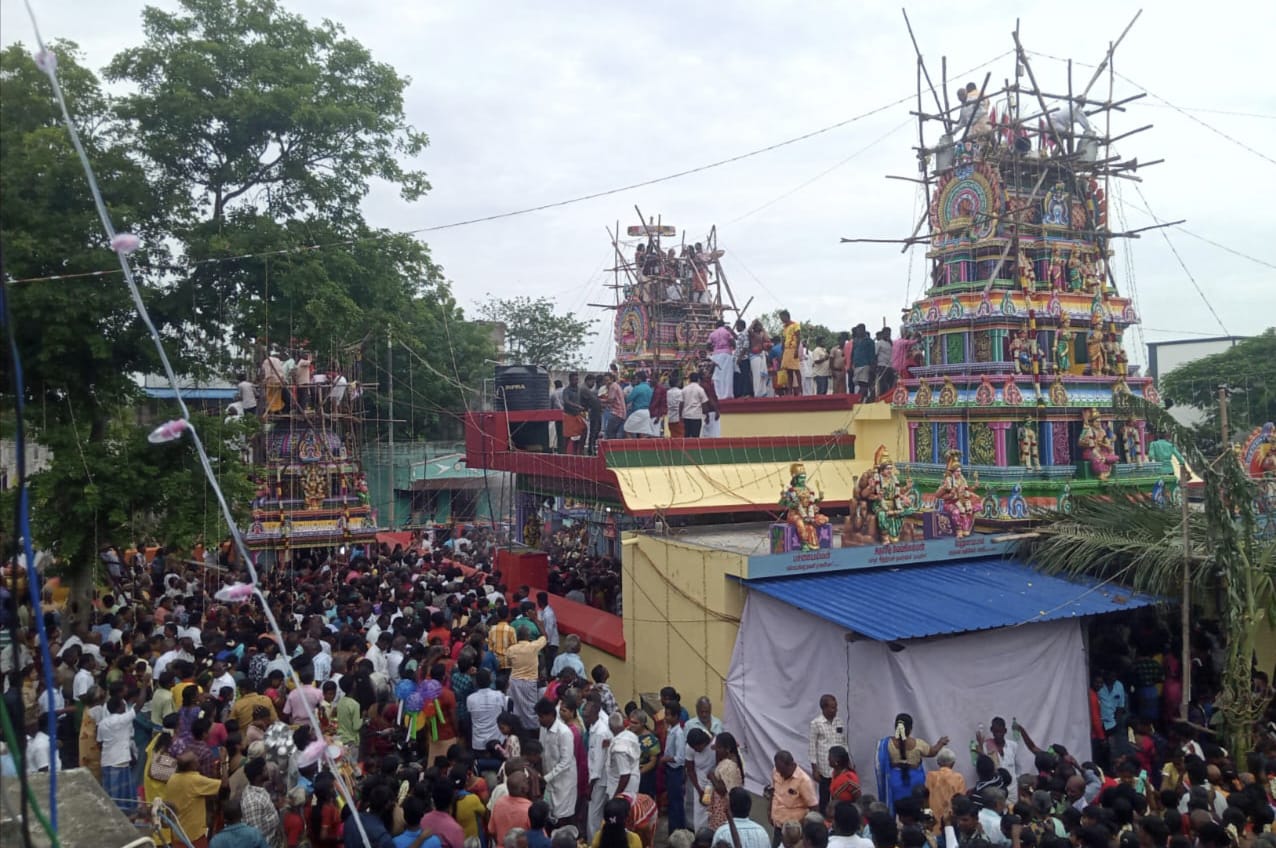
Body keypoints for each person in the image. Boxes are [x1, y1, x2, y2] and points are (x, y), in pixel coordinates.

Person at [877, 713, 949, 815]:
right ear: (910, 728)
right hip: (915, 782)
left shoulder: (886, 744)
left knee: (899, 810)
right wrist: (941, 743)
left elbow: (881, 762)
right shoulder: (919, 744)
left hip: (895, 781)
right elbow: (932, 752)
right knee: (918, 808)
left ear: (895, 727)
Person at [167, 751, 225, 848]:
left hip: (177, 833)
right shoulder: (195, 780)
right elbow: (224, 785)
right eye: (196, 761)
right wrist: (224, 763)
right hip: (194, 836)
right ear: (192, 766)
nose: (199, 762)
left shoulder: (171, 779)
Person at [536, 697, 577, 826]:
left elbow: (566, 761)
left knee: (562, 818)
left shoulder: (564, 732)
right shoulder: (544, 729)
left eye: (541, 717)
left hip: (563, 782)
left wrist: (546, 777)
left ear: (551, 715)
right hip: (550, 782)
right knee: (550, 816)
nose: (539, 720)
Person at [767, 751, 819, 845]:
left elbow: (814, 808)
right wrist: (770, 811)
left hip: (793, 833)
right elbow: (773, 791)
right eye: (778, 771)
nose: (780, 774)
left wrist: (803, 829)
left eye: (783, 772)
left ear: (792, 765)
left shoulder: (804, 781)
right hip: (778, 826)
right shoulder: (777, 771)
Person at [808, 694, 845, 811]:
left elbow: (844, 742)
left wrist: (847, 762)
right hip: (824, 769)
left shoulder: (839, 722)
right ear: (824, 708)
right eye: (833, 707)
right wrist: (814, 769)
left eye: (836, 707)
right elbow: (812, 747)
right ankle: (824, 822)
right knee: (824, 798)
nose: (836, 710)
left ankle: (836, 821)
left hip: (839, 768)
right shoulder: (816, 724)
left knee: (838, 797)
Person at [586, 696, 614, 839]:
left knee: (593, 814)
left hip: (599, 779)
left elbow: (598, 760)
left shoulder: (600, 731)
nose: (585, 716)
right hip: (598, 778)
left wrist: (591, 784)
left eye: (587, 714)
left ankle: (593, 842)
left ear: (596, 713)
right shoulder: (594, 727)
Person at [706, 731, 744, 830]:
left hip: (723, 806)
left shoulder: (728, 765)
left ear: (727, 749)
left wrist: (711, 776)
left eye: (719, 748)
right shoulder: (733, 759)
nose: (716, 751)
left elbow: (722, 790)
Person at [661, 698, 687, 834]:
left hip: (676, 771)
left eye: (668, 715)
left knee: (676, 803)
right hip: (670, 770)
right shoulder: (671, 730)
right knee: (672, 802)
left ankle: (678, 831)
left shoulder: (679, 733)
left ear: (676, 716)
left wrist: (666, 759)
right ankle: (673, 831)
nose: (666, 717)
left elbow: (680, 758)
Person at [924, 748, 966, 833]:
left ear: (938, 762)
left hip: (934, 824)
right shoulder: (958, 778)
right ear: (953, 763)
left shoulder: (930, 776)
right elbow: (962, 803)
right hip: (952, 824)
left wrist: (927, 819)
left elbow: (925, 802)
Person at [825, 747, 860, 815]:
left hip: (848, 813)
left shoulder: (849, 778)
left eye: (829, 757)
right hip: (837, 812)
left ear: (836, 760)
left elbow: (858, 799)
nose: (828, 759)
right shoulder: (835, 773)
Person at [708, 322, 736, 401]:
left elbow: (708, 345)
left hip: (716, 355)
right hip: (726, 354)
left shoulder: (712, 334)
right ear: (723, 325)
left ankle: (719, 395)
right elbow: (733, 342)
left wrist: (714, 349)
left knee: (717, 376)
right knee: (727, 375)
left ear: (716, 325)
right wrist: (731, 348)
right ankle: (727, 394)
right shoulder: (727, 332)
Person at [623, 372, 654, 439]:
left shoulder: (637, 388)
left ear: (639, 379)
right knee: (642, 432)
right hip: (646, 411)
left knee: (627, 428)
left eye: (636, 379)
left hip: (638, 412)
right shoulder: (649, 388)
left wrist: (624, 395)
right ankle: (643, 448)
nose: (635, 380)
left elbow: (628, 399)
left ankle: (631, 447)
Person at [680, 373, 711, 438]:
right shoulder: (700, 389)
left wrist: (680, 415)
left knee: (686, 436)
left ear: (689, 379)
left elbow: (681, 403)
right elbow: (704, 404)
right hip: (696, 416)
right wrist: (707, 415)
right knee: (696, 437)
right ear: (698, 379)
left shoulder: (684, 389)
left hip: (686, 416)